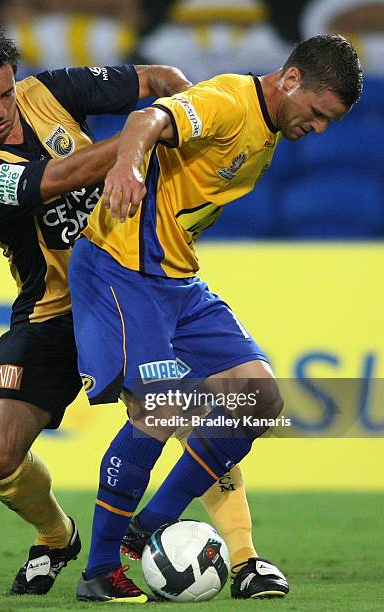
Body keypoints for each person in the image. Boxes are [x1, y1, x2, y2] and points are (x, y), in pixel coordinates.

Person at [69, 33, 362, 602]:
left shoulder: (269, 131)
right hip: (122, 267)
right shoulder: (230, 101)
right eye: (318, 114)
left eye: (330, 122)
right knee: (162, 407)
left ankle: (153, 520)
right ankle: (101, 568)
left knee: (259, 397)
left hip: (177, 281)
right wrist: (126, 169)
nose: (319, 129)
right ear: (292, 80)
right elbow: (147, 120)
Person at [0, 15, 192, 597]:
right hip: (51, 308)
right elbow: (60, 176)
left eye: (6, 92)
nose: (3, 111)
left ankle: (247, 555)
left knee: (180, 408)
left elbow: (161, 78)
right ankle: (56, 534)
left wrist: (192, 113)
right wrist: (137, 140)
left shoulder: (47, 92)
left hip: (127, 285)